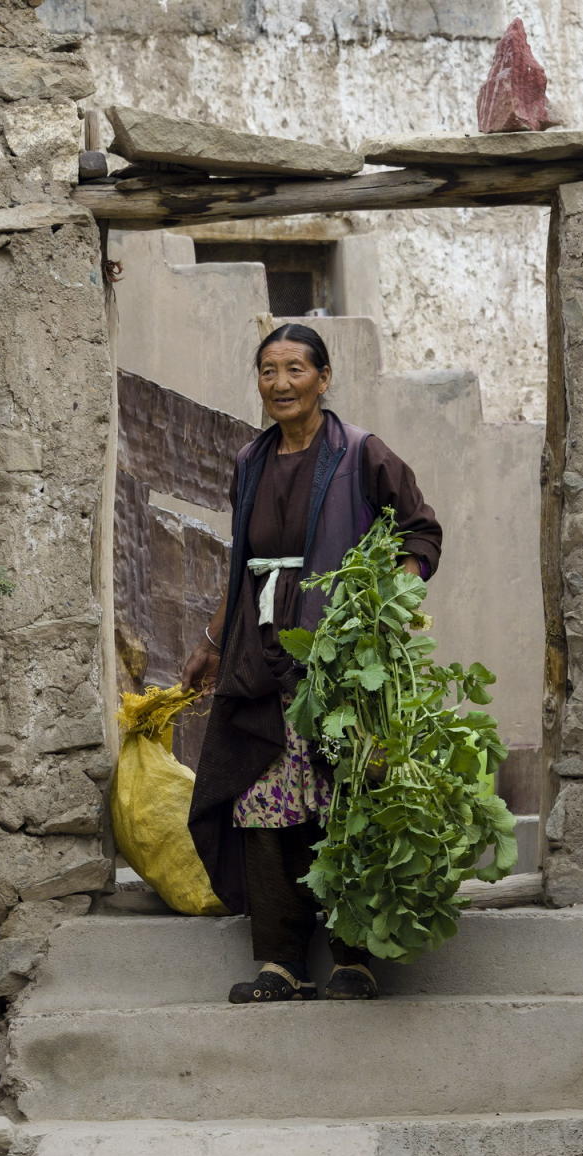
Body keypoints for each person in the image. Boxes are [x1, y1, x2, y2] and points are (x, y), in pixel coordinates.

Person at [182, 324, 442, 1003]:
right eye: (267, 370)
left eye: (295, 368)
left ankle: (353, 957)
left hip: (338, 653)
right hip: (260, 649)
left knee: (346, 793)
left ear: (323, 378)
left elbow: (419, 528)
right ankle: (280, 961)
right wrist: (212, 642)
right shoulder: (250, 460)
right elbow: (243, 564)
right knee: (262, 799)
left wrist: (393, 600)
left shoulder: (360, 453)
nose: (280, 384)